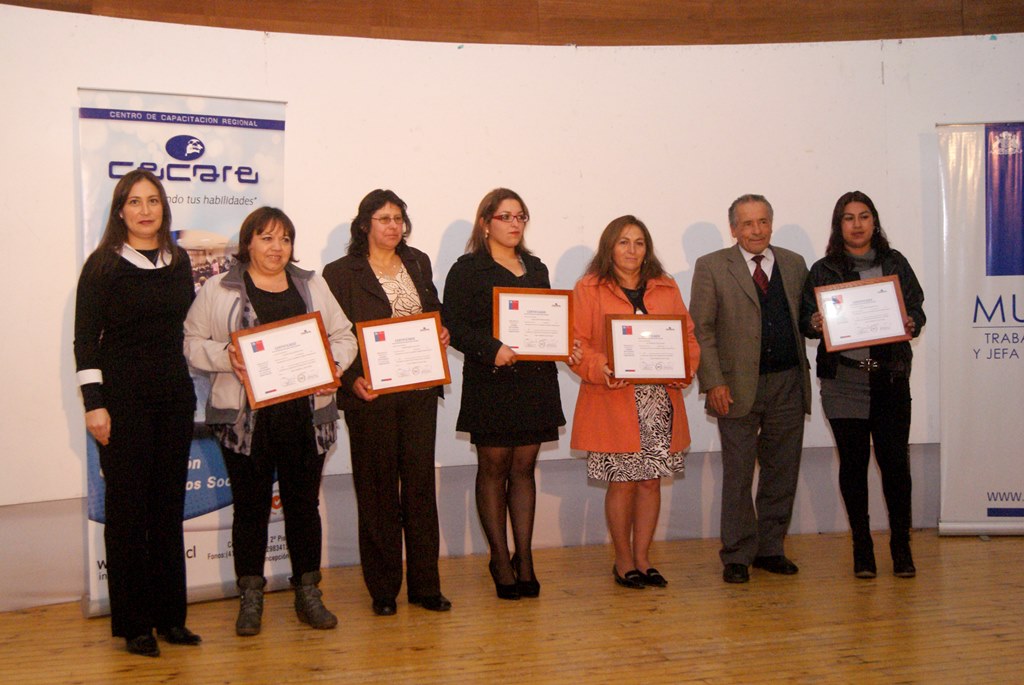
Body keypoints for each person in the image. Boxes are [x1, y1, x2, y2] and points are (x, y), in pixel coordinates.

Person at [184, 207, 358, 635]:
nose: (276, 247)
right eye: (266, 238)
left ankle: (308, 592)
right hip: (245, 423)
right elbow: (191, 342)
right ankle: (251, 596)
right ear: (248, 243)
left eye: (284, 239)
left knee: (303, 508)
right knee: (250, 510)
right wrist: (227, 356)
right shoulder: (220, 288)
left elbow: (344, 335)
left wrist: (332, 365)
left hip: (306, 419)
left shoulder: (311, 284)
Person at [74, 168, 200, 657]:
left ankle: (171, 619)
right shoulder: (103, 266)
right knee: (128, 515)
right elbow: (86, 341)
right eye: (134, 201)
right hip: (123, 403)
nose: (145, 210)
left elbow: (186, 329)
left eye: (153, 200)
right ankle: (134, 624)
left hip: (174, 399)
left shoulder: (178, 261)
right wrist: (95, 405)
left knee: (167, 511)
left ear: (163, 208)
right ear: (120, 211)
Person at [322, 189, 451, 617]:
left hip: (418, 393)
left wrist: (442, 330)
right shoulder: (340, 273)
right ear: (365, 225)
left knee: (419, 490)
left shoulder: (417, 262)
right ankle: (383, 589)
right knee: (377, 493)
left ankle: (425, 586)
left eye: (398, 218)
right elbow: (331, 336)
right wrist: (349, 381)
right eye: (384, 219)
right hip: (371, 396)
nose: (393, 226)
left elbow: (433, 310)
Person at [443, 188, 570, 600]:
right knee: (494, 468)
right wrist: (490, 348)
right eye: (505, 216)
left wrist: (563, 341)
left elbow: (547, 321)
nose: (515, 224)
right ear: (486, 223)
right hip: (491, 381)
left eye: (521, 216)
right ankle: (499, 559)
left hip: (534, 383)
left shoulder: (536, 267)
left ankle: (525, 558)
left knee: (524, 469)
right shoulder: (467, 270)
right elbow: (452, 326)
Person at [570, 216, 700, 589]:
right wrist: (601, 367)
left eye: (639, 242)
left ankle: (643, 559)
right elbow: (576, 345)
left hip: (659, 400)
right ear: (609, 247)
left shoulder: (666, 286)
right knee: (622, 483)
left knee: (650, 483)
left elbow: (688, 338)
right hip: (614, 399)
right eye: (623, 242)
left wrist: (683, 370)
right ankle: (623, 560)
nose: (632, 250)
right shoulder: (589, 287)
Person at [801, 191, 925, 579]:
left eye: (864, 216)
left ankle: (901, 547)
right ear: (838, 225)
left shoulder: (895, 262)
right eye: (849, 218)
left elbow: (916, 307)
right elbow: (806, 319)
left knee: (895, 466)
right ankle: (862, 548)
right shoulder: (824, 269)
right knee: (853, 467)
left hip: (889, 378)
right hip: (844, 382)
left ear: (875, 222)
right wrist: (815, 322)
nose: (857, 224)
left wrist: (911, 322)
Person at [689, 194, 811, 584]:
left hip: (787, 383)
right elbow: (702, 330)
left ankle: (770, 548)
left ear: (771, 224)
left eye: (763, 222)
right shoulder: (711, 266)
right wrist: (713, 381)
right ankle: (737, 553)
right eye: (747, 223)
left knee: (782, 470)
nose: (756, 230)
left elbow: (808, 318)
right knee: (739, 473)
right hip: (735, 387)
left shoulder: (794, 263)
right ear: (733, 229)